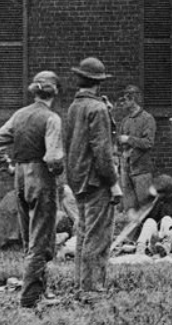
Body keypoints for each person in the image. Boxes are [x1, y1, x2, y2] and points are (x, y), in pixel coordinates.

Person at [0, 71, 64, 307]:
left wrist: (8, 168)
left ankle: (41, 290)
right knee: (41, 238)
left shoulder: (19, 115)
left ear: (35, 91)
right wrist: (57, 171)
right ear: (55, 92)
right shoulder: (52, 119)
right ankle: (30, 297)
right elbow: (52, 157)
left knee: (30, 237)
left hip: (20, 177)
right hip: (41, 176)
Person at [63, 57, 118, 297]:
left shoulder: (75, 107)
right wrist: (114, 183)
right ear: (99, 83)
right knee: (98, 236)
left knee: (84, 234)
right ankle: (93, 289)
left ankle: (81, 284)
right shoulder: (97, 109)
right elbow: (102, 152)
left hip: (78, 180)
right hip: (97, 181)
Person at [117, 84, 157, 220]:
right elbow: (119, 142)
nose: (122, 104)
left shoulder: (147, 119)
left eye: (124, 100)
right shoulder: (125, 121)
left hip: (142, 170)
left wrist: (129, 139)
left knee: (145, 207)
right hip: (126, 169)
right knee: (129, 208)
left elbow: (148, 143)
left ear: (132, 99)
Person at [133, 174, 172, 256]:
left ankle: (166, 246)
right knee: (150, 221)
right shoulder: (155, 200)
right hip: (157, 241)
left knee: (167, 219)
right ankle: (140, 248)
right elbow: (145, 220)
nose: (159, 194)